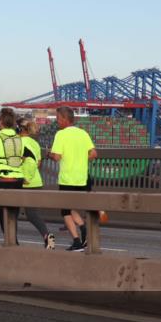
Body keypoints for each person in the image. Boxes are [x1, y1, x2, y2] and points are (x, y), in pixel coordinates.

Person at [49, 106, 98, 252]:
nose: (57, 122)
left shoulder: (61, 134)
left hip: (67, 179)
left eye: (58, 118)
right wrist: (81, 160)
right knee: (71, 208)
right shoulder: (83, 133)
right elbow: (94, 154)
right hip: (82, 178)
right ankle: (84, 229)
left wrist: (49, 154)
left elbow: (57, 157)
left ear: (64, 119)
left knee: (65, 211)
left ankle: (77, 241)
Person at [0, 108, 34, 240]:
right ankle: (13, 238)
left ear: (1, 122)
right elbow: (31, 158)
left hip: (2, 179)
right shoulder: (20, 139)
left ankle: (10, 240)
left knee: (1, 212)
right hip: (18, 180)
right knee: (13, 212)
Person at [17, 118, 55, 249]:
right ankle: (46, 235)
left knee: (11, 210)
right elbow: (38, 163)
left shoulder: (17, 143)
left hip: (23, 181)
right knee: (32, 213)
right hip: (37, 181)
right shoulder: (34, 143)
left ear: (19, 129)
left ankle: (12, 239)